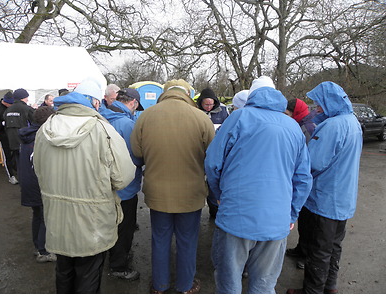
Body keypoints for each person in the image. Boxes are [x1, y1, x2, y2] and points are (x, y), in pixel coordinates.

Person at [204, 77, 313, 294]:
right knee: (264, 285)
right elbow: (303, 179)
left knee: (229, 282)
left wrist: (218, 195)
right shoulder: (293, 126)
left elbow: (213, 163)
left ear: (252, 94)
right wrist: (291, 214)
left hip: (236, 215)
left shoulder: (239, 117)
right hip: (276, 219)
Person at [33, 77, 136, 293]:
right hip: (92, 222)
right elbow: (124, 176)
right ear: (95, 102)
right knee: (88, 274)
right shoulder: (103, 130)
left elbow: (38, 170)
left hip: (57, 218)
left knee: (63, 270)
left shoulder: (45, 129)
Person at [130, 79, 215, 294]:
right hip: (191, 193)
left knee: (160, 239)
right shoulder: (201, 118)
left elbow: (137, 153)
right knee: (187, 240)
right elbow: (212, 156)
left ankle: (160, 285)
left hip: (157, 192)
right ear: (187, 93)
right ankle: (185, 286)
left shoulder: (146, 116)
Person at [287, 81, 363, 294]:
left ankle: (312, 291)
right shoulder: (351, 121)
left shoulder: (332, 126)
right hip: (343, 198)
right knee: (334, 246)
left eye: (319, 104)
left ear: (330, 102)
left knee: (318, 248)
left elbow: (314, 163)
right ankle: (329, 286)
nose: (316, 108)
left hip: (325, 199)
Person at [99, 88, 144, 281]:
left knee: (105, 225)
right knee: (124, 229)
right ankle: (119, 265)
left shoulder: (100, 116)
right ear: (133, 103)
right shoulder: (127, 124)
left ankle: (104, 258)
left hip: (101, 185)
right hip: (124, 188)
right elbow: (136, 156)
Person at [18, 106, 56, 263]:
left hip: (28, 183)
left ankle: (38, 246)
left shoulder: (28, 135)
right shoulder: (41, 138)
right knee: (44, 217)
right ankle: (43, 251)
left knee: (38, 215)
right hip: (37, 184)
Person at [284, 98, 318, 270]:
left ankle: (306, 255)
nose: (286, 117)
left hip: (307, 179)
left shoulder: (308, 128)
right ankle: (301, 249)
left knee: (309, 222)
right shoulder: (301, 124)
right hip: (302, 178)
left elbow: (309, 158)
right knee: (304, 220)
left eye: (287, 113)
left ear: (294, 113)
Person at [196, 88, 229, 218]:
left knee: (213, 181)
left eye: (211, 104)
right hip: (199, 149)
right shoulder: (195, 111)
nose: (209, 107)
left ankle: (214, 209)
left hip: (216, 150)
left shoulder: (223, 111)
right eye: (206, 104)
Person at [3, 88, 35, 181]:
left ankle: (22, 180)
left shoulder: (8, 110)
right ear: (22, 98)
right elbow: (35, 122)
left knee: (19, 163)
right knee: (28, 164)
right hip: (25, 142)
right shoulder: (27, 109)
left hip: (12, 142)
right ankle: (28, 181)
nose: (27, 99)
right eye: (26, 97)